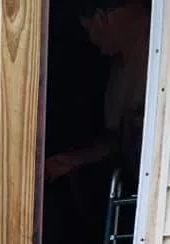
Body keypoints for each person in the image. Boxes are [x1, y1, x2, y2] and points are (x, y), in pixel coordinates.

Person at [45, 0, 150, 188]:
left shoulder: (162, 40)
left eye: (90, 30)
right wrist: (69, 161)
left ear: (103, 18)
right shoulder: (118, 72)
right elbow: (113, 139)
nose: (92, 40)